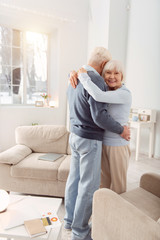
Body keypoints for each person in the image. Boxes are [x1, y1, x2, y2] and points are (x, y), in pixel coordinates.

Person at [65, 47, 130, 240]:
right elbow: (99, 116)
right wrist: (121, 130)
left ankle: (69, 220)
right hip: (89, 139)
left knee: (74, 180)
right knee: (88, 186)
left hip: (74, 136)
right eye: (107, 69)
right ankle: (80, 231)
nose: (108, 74)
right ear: (102, 65)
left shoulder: (74, 78)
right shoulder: (96, 81)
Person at [70, 59, 132, 194]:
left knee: (118, 186)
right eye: (108, 73)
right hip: (103, 142)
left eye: (117, 73)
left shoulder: (124, 93)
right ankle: (104, 212)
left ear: (122, 76)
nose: (112, 76)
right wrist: (72, 74)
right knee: (103, 184)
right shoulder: (104, 88)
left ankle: (118, 214)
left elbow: (98, 95)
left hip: (117, 145)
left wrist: (82, 76)